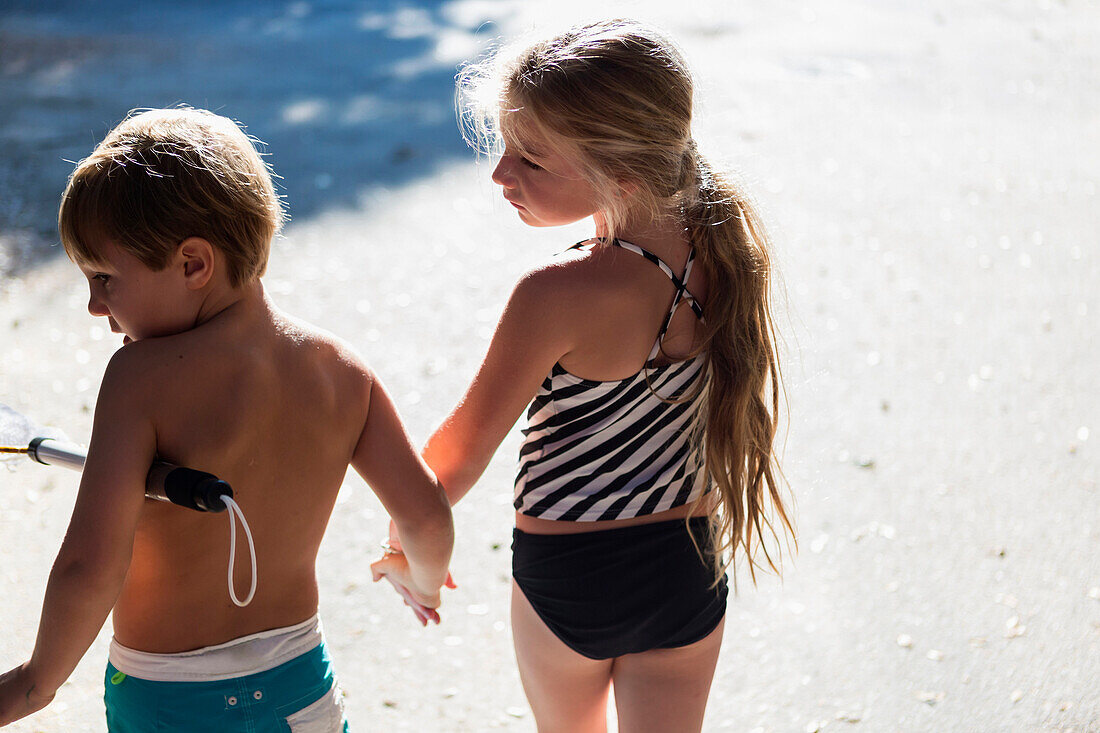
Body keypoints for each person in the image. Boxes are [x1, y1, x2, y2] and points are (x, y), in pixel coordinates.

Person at [390, 19, 796, 732]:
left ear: (623, 176)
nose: (500, 174)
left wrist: (410, 558)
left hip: (569, 575)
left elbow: (451, 461)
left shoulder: (555, 294)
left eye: (531, 159)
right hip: (685, 567)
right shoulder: (727, 251)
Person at [0, 107, 454, 731]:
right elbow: (426, 514)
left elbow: (90, 565)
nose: (93, 305)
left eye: (105, 278)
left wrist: (35, 684)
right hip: (303, 692)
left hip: (169, 701)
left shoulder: (141, 379)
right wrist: (422, 580)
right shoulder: (340, 368)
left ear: (193, 264)